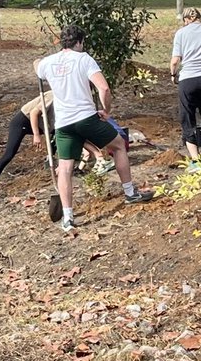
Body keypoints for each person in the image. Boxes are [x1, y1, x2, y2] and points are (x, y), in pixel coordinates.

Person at [35, 25, 152, 233]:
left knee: (65, 168)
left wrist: (38, 65)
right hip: (86, 118)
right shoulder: (84, 59)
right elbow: (104, 88)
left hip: (63, 124)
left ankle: (68, 217)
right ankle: (129, 193)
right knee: (118, 146)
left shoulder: (48, 63)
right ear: (79, 42)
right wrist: (106, 110)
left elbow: (37, 66)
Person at [170, 7, 201, 170]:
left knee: (188, 117)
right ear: (199, 17)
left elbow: (175, 60)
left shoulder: (181, 33)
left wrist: (173, 74)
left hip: (188, 79)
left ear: (186, 20)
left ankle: (195, 159)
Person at [0, 89, 54, 194]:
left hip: (43, 125)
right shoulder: (52, 96)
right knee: (9, 153)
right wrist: (36, 135)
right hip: (22, 121)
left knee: (60, 132)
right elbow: (33, 113)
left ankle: (51, 160)